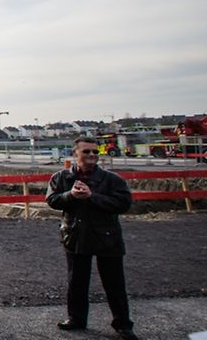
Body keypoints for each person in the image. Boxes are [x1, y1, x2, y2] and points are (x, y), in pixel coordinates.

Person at [46, 137, 137, 340]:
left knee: (114, 283)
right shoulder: (61, 178)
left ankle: (123, 324)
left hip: (107, 237)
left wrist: (92, 197)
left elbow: (123, 204)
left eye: (95, 152)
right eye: (86, 152)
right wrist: (70, 195)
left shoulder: (112, 180)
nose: (92, 156)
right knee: (76, 281)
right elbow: (52, 200)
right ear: (75, 154)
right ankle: (76, 318)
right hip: (75, 236)